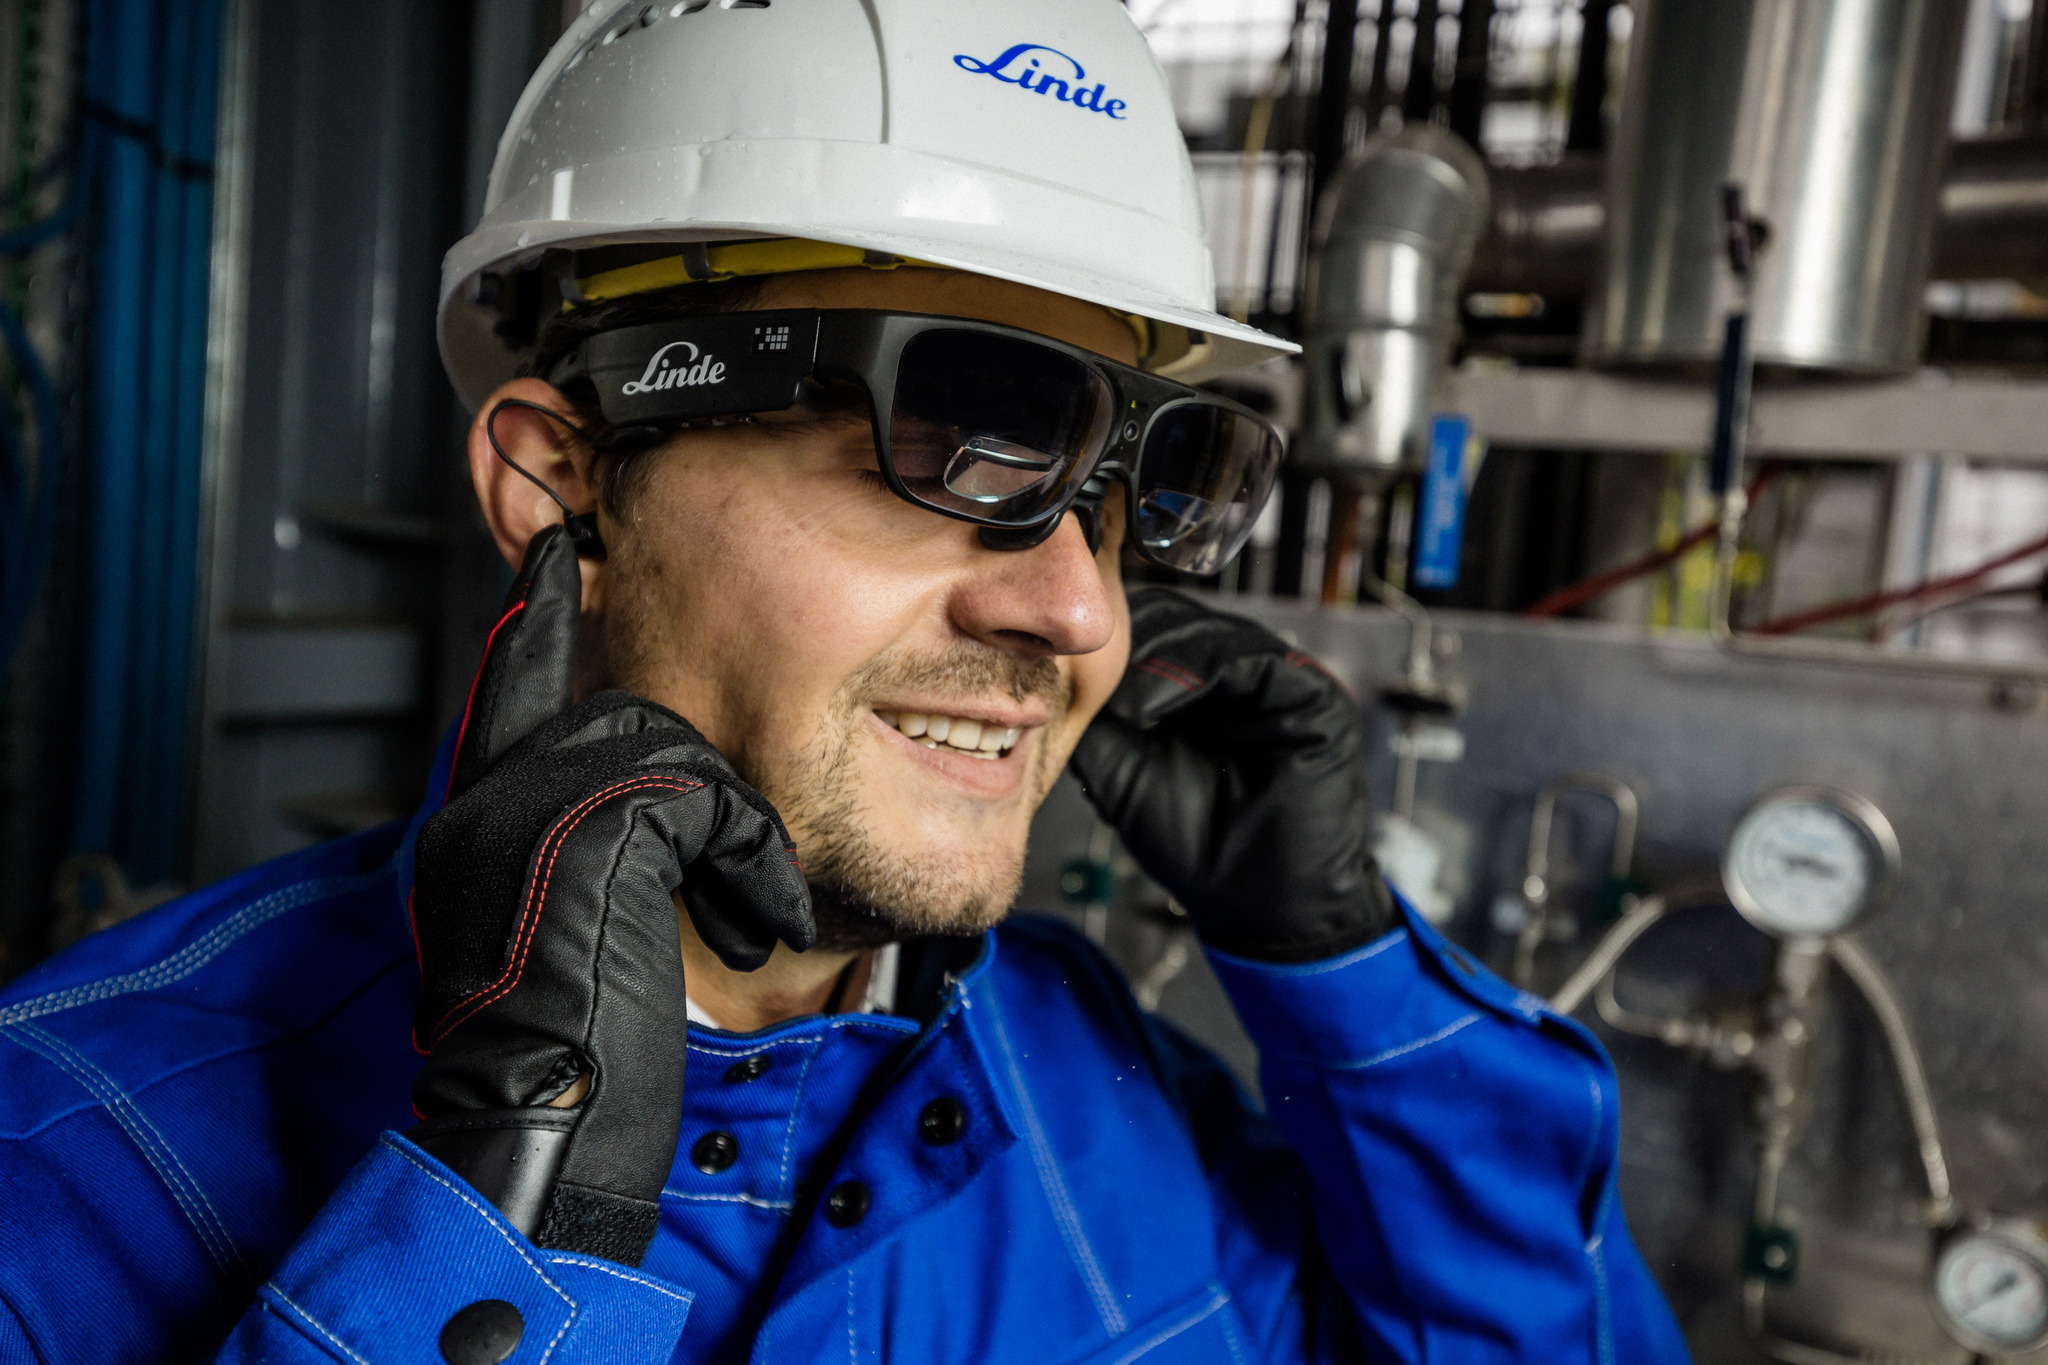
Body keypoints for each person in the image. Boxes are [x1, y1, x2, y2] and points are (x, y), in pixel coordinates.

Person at [0, 2, 1689, 1361]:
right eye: (952, 446)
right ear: (557, 478)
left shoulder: (1105, 1089)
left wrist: (1346, 975)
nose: (1079, 607)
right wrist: (497, 1223)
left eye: (1132, 490)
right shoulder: (67, 1165)